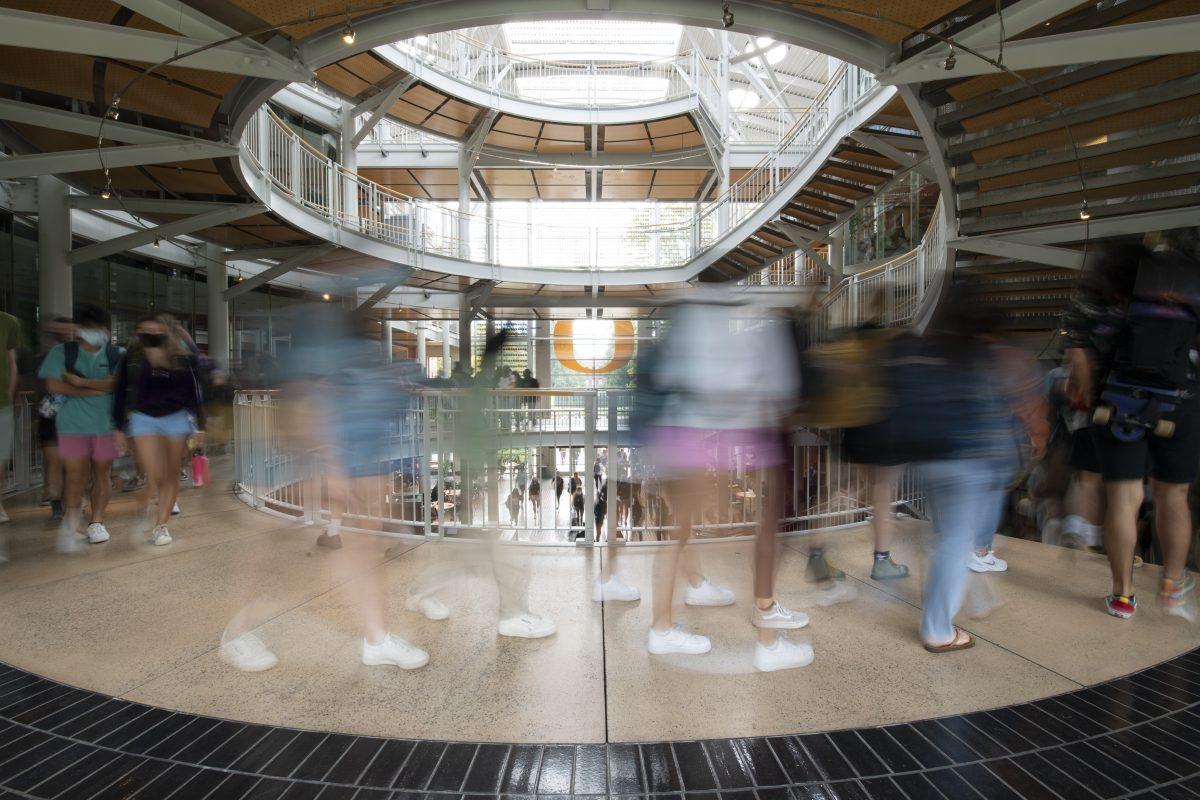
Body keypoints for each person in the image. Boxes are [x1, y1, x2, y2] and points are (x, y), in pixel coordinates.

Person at [1064, 233, 1200, 620]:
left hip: (1117, 405)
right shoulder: (1183, 297)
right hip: (1179, 403)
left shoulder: (1098, 298)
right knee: (1173, 497)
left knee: (1124, 501)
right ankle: (1172, 584)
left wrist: (1092, 400)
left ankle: (1123, 596)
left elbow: (1079, 358)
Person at [112, 314, 206, 547]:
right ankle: (148, 493)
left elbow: (194, 393)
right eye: (147, 331)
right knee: (155, 473)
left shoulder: (182, 358)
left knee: (171, 473)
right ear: (139, 333)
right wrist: (118, 427)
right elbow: (121, 391)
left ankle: (160, 525)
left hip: (176, 418)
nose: (152, 335)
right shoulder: (131, 358)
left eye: (157, 331)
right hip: (144, 419)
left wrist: (200, 426)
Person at [38, 304, 122, 551]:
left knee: (101, 473)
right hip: (72, 425)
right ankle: (71, 520)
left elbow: (116, 385)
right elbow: (54, 385)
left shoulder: (117, 354)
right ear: (80, 329)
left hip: (105, 425)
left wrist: (81, 383)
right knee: (74, 474)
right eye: (88, 328)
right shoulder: (61, 352)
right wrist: (96, 387)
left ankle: (97, 521)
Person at [36, 318, 73, 523]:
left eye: (68, 330)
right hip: (51, 416)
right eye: (60, 331)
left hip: (74, 416)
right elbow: (42, 386)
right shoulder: (48, 356)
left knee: (71, 463)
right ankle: (57, 503)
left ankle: (70, 501)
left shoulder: (82, 356)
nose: (64, 334)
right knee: (54, 462)